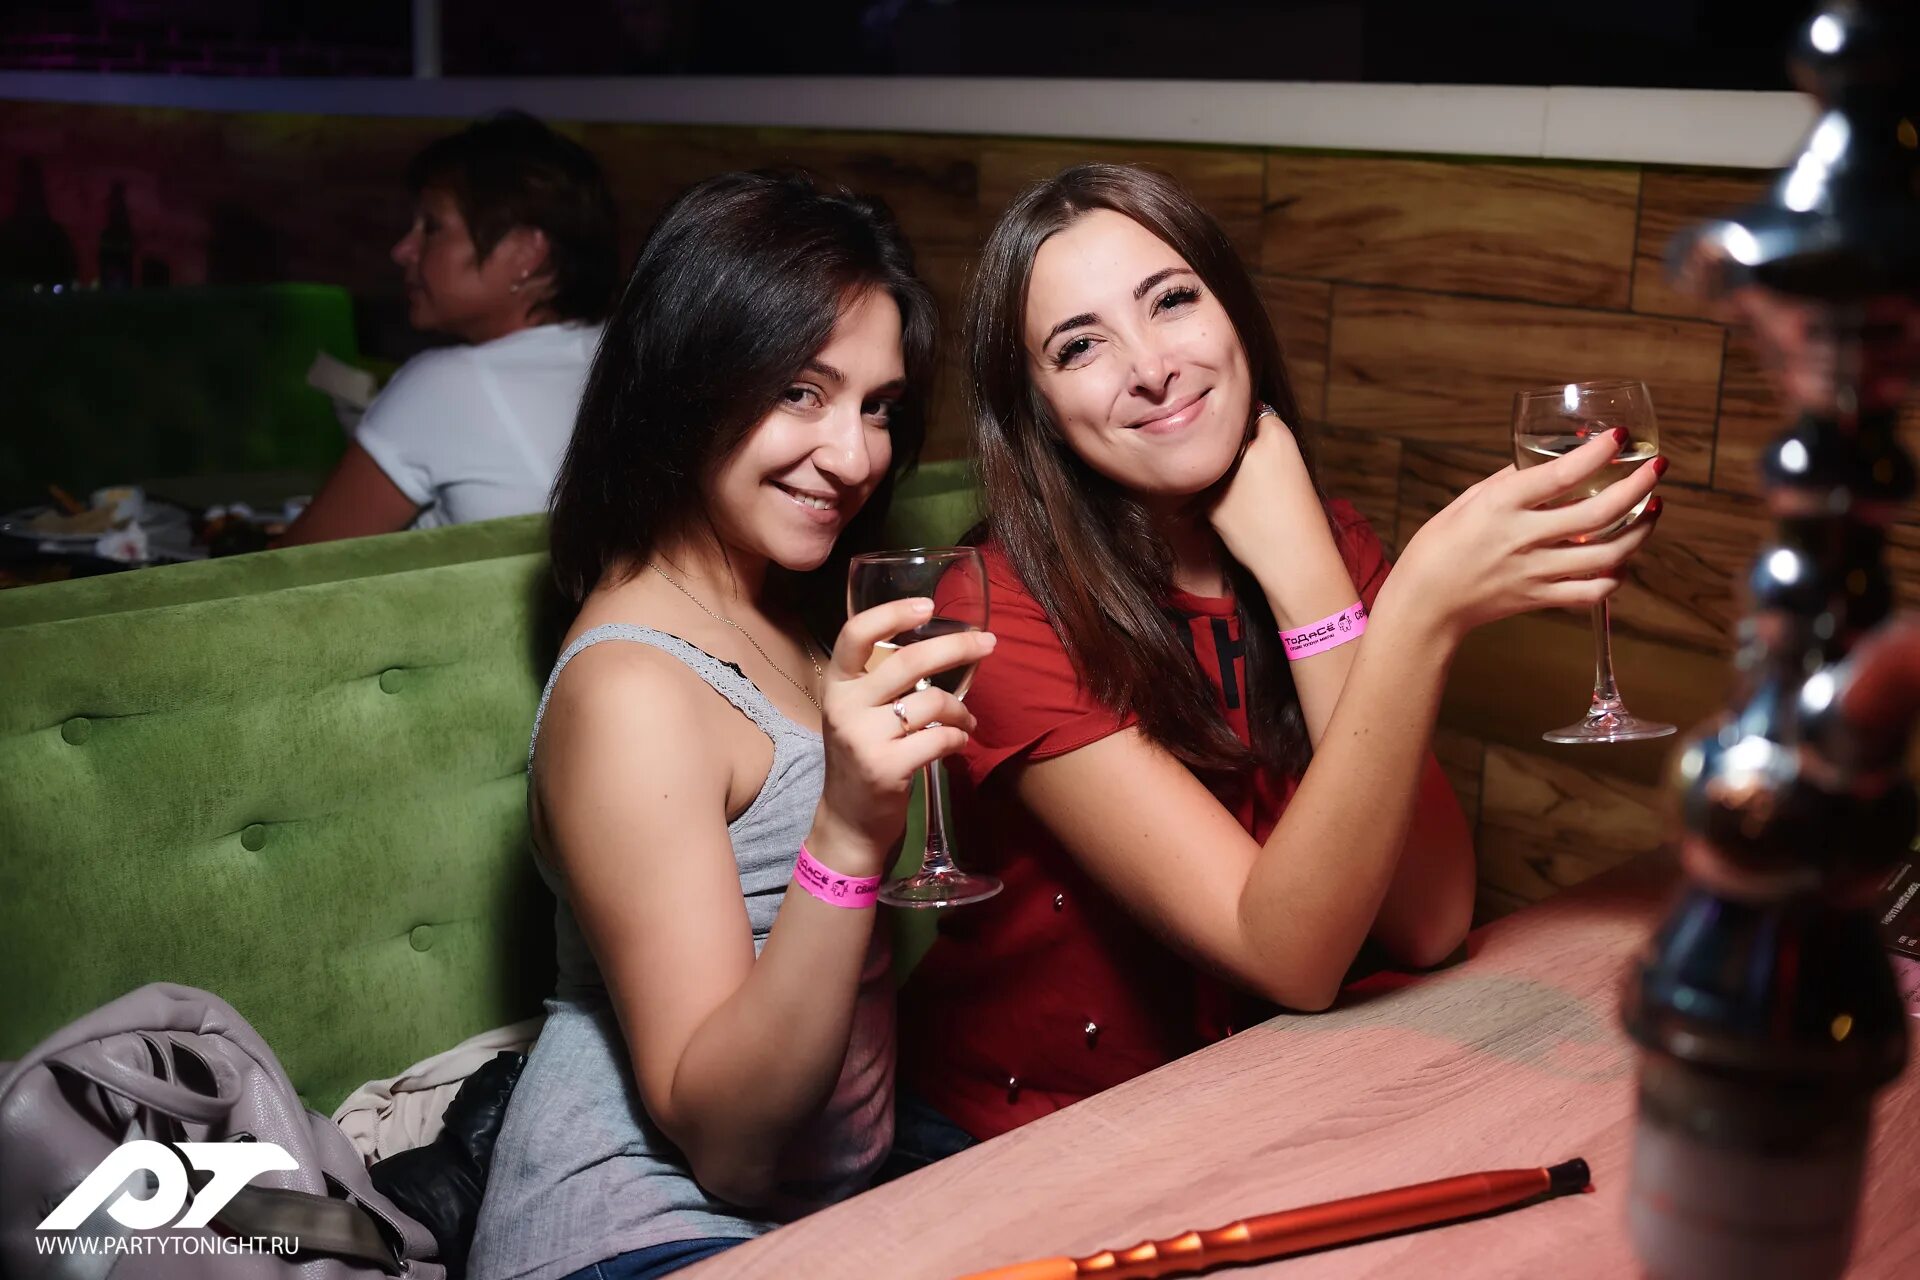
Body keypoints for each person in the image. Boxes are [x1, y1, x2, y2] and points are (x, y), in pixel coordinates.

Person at [899, 163, 1666, 1142]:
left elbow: (1428, 920)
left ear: (1235, 314)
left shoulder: (1326, 541)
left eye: (1171, 300)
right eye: (1081, 345)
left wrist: (1312, 583)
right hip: (1018, 1142)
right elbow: (1286, 956)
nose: (1150, 365)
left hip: (1256, 1097)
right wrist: (1417, 616)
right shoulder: (997, 610)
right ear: (1037, 406)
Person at [467, 170, 988, 1280]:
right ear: (689, 376)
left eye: (879, 406)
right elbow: (732, 1145)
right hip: (639, 1231)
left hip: (833, 1207)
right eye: (801, 390)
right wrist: (848, 830)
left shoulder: (782, 604)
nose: (855, 456)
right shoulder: (631, 690)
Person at [278, 112, 617, 545]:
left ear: (526, 254)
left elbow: (292, 565)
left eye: (432, 227)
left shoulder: (449, 383)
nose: (403, 250)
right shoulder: (626, 356)